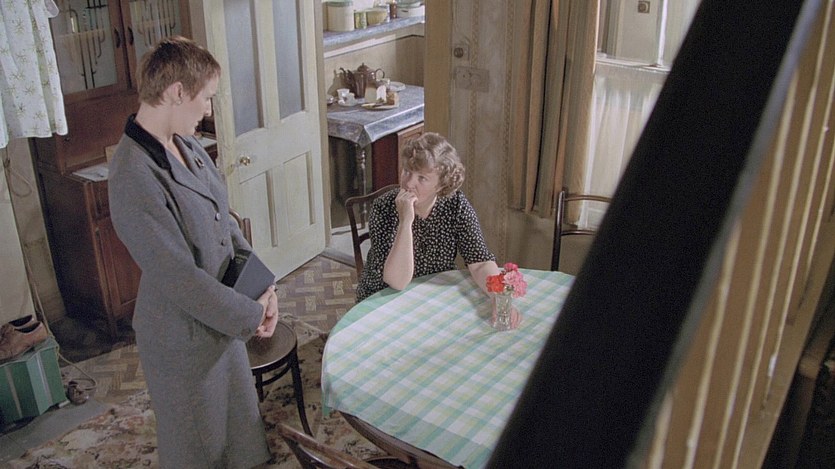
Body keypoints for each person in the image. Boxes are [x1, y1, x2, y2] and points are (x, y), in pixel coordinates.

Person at [108, 37, 276, 468]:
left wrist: (264, 288)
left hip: (220, 321)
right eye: (206, 98)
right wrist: (250, 314)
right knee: (200, 449)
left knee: (239, 440)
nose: (208, 109)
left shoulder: (187, 144)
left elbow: (226, 222)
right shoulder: (132, 175)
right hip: (183, 341)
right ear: (177, 92)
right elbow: (179, 278)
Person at [355, 132, 521, 328]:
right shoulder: (383, 207)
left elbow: (480, 262)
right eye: (407, 171)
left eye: (422, 178)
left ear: (441, 184)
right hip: (384, 298)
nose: (409, 183)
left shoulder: (455, 205)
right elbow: (397, 282)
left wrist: (498, 296)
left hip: (433, 294)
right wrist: (405, 222)